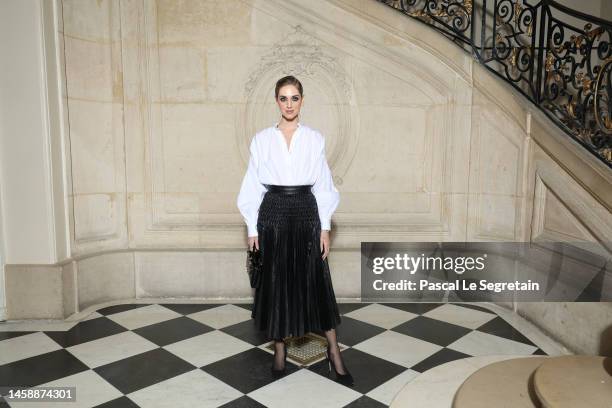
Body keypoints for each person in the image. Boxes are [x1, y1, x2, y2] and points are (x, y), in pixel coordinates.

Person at [236, 75, 353, 386]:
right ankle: (279, 349)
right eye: (284, 98)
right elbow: (251, 184)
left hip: (305, 211)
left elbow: (324, 185)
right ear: (277, 101)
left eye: (295, 98)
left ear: (302, 100)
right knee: (275, 282)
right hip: (271, 213)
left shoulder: (314, 138)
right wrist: (252, 228)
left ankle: (333, 350)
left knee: (316, 281)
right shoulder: (261, 139)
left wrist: (325, 227)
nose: (289, 104)